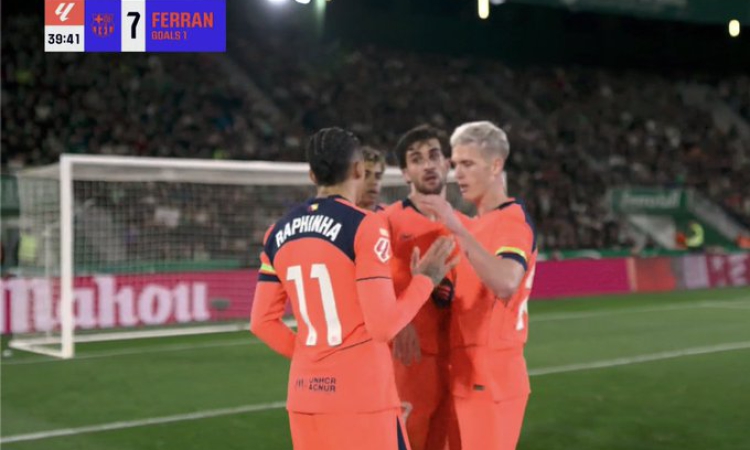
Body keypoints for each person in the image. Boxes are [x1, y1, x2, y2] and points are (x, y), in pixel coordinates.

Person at [250, 127, 459, 450]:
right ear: (359, 169)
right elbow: (383, 326)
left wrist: (314, 357)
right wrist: (425, 280)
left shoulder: (276, 233)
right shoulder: (365, 225)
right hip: (361, 398)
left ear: (312, 175)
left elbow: (261, 322)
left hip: (304, 398)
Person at [415, 121, 537, 450]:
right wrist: (429, 282)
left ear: (495, 166)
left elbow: (507, 282)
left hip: (492, 375)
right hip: (464, 373)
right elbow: (461, 300)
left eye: (468, 164)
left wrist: (457, 229)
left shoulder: (510, 220)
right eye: (455, 165)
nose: (458, 175)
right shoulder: (477, 225)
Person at [383, 124, 465, 450]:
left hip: (456, 361)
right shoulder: (388, 222)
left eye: (434, 156)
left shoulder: (463, 227)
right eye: (416, 159)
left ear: (446, 163)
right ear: (405, 173)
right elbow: (366, 287)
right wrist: (397, 322)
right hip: (409, 361)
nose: (428, 165)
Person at [357, 146, 387, 212]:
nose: (374, 182)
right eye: (366, 175)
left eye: (378, 176)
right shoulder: (338, 214)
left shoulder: (389, 215)